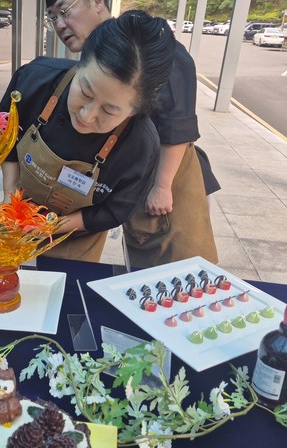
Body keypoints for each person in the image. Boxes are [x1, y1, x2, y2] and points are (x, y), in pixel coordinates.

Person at [45, 0, 220, 269]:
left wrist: (162, 187)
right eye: (52, 17)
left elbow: (176, 125)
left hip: (162, 172)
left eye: (64, 10)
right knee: (73, 263)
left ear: (97, 3)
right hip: (106, 171)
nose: (60, 24)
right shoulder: (92, 55)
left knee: (167, 268)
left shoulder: (150, 51)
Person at [0, 11, 175, 262]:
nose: (87, 116)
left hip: (75, 233)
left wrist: (49, 226)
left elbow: (114, 210)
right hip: (16, 205)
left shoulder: (140, 145)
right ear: (80, 64)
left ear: (135, 112)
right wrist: (10, 196)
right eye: (85, 92)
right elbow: (4, 139)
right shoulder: (34, 79)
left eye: (109, 111)